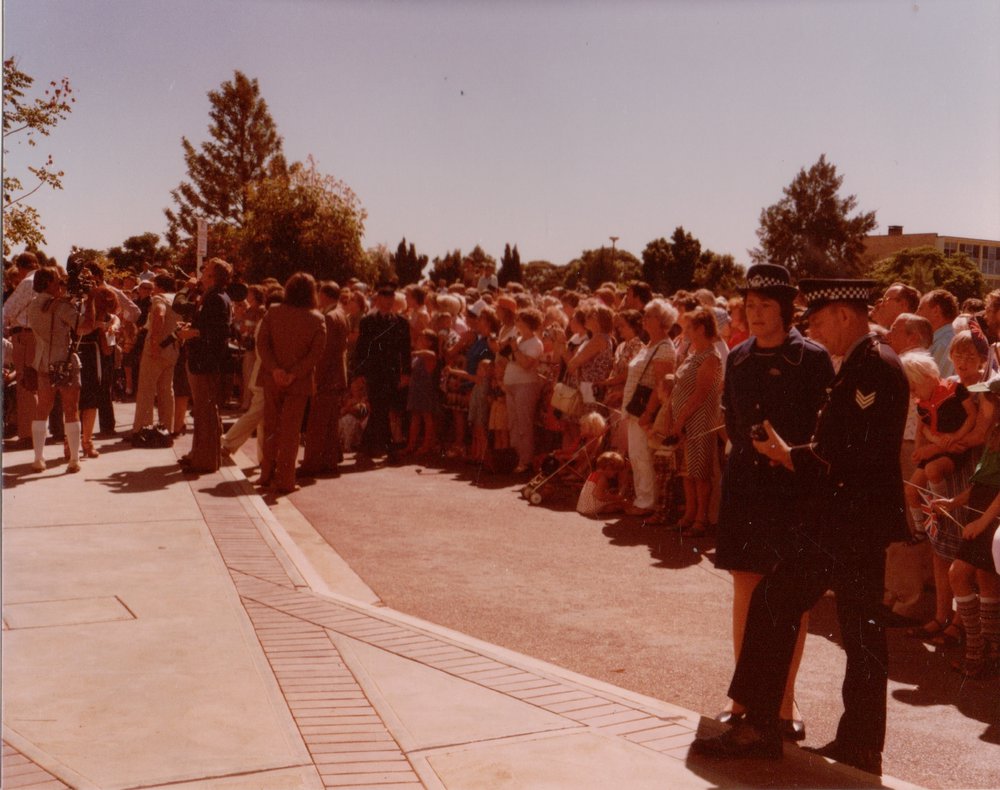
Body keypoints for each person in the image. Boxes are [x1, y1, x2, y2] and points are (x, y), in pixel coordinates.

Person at [692, 278, 909, 777]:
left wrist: (791, 456)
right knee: (858, 633)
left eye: (818, 318)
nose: (811, 327)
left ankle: (763, 727)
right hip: (850, 522)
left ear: (845, 315)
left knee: (778, 605)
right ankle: (856, 743)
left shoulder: (871, 366)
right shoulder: (864, 362)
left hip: (846, 523)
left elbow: (848, 453)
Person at [712, 264, 834, 741]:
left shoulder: (813, 358)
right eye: (750, 306)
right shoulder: (738, 357)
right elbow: (729, 413)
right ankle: (741, 697)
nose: (755, 314)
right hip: (746, 485)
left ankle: (784, 700)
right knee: (745, 589)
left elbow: (823, 428)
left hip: (791, 488)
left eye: (765, 306)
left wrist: (789, 458)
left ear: (785, 309)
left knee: (789, 597)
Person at [932, 375, 1000, 678]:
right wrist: (953, 502)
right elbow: (981, 483)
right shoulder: (993, 433)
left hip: (991, 515)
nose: (979, 402)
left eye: (984, 398)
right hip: (982, 508)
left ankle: (977, 650)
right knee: (986, 581)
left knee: (957, 574)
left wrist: (983, 521)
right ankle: (989, 650)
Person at [255, 272, 326, 495]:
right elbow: (316, 354)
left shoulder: (273, 312)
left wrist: (275, 368)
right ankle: (285, 479)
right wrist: (294, 373)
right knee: (290, 432)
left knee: (271, 427)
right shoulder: (317, 319)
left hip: (271, 378)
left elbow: (262, 344)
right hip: (299, 382)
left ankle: (266, 474)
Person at [657, 306, 723, 537]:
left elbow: (700, 395)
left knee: (699, 472)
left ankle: (701, 519)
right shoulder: (693, 354)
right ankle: (689, 516)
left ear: (701, 328)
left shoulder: (711, 357)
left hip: (700, 422)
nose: (685, 333)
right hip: (683, 420)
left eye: (689, 328)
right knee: (686, 472)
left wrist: (680, 420)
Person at [26, 267, 96, 472]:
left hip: (43, 363)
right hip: (64, 362)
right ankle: (74, 459)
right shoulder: (62, 307)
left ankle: (38, 458)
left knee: (42, 410)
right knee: (71, 410)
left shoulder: (32, 306)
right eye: (56, 280)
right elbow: (85, 327)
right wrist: (90, 300)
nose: (60, 283)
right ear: (47, 282)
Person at [175, 258, 234, 474]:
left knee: (205, 413)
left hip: (205, 361)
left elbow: (217, 333)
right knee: (203, 412)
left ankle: (205, 460)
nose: (201, 273)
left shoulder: (216, 299)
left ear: (213, 276)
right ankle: (201, 456)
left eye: (206, 270)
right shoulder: (216, 297)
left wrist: (191, 333)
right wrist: (193, 328)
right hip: (205, 360)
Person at [621, 299, 678, 516]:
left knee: (643, 455)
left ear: (662, 321)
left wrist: (648, 413)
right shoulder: (649, 345)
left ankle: (647, 502)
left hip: (645, 411)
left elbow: (661, 384)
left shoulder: (664, 348)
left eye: (649, 316)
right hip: (634, 409)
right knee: (636, 454)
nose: (643, 319)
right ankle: (642, 497)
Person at [353, 283, 411, 467]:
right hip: (374, 372)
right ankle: (385, 448)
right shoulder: (368, 322)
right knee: (379, 408)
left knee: (385, 409)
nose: (387, 302)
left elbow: (406, 351)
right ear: (377, 300)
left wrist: (406, 373)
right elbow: (361, 348)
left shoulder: (401, 323)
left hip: (393, 372)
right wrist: (359, 373)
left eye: (390, 299)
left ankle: (374, 448)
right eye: (384, 298)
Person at [300, 281, 349, 477]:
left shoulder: (329, 317)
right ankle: (329, 461)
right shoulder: (341, 314)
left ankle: (311, 464)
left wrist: (316, 379)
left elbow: (325, 353)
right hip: (337, 376)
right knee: (329, 424)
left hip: (327, 378)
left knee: (317, 424)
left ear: (325, 295)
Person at [131, 274, 180, 436]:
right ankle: (167, 427)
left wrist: (154, 342)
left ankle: (142, 429)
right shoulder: (178, 299)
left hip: (156, 349)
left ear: (159, 286)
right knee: (167, 390)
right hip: (172, 348)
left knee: (146, 389)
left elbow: (159, 314)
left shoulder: (159, 299)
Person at [3, 252, 41, 446]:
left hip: (24, 335)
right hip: (37, 335)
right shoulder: (44, 280)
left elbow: (7, 309)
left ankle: (27, 435)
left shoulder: (27, 282)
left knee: (25, 384)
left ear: (20, 267)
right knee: (34, 383)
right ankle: (36, 432)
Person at [503, 308, 545, 474]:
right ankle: (517, 457)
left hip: (526, 385)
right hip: (511, 385)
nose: (516, 323)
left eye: (519, 320)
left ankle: (526, 460)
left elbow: (526, 364)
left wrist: (514, 349)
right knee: (513, 423)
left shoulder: (536, 343)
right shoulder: (518, 339)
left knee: (524, 424)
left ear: (527, 323)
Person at [576, 451, 629, 517]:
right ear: (609, 468)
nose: (615, 474)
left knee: (612, 503)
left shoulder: (593, 474)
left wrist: (608, 493)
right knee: (620, 505)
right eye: (615, 471)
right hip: (590, 507)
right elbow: (599, 495)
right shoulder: (602, 478)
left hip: (582, 507)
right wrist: (615, 497)